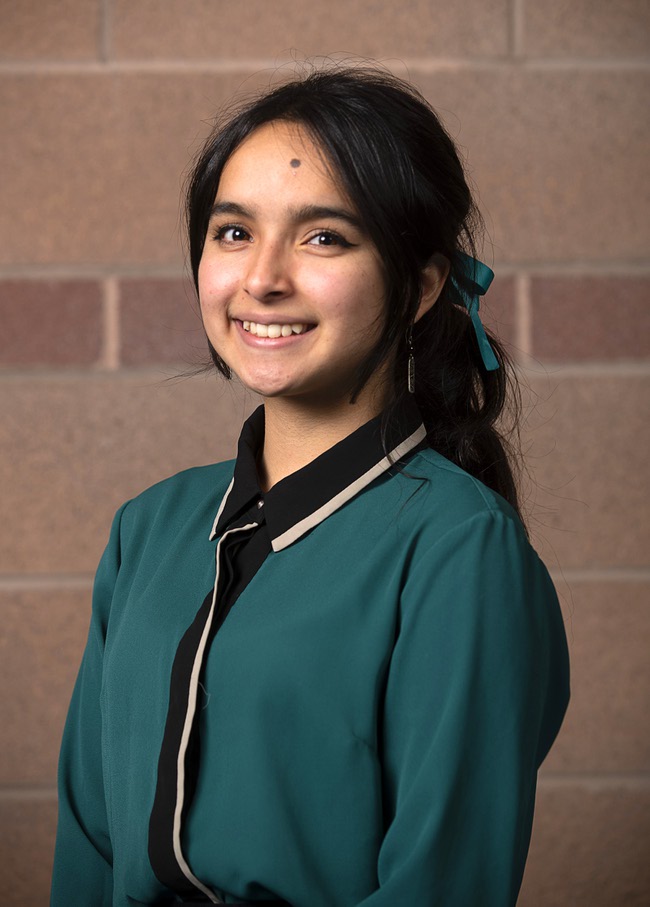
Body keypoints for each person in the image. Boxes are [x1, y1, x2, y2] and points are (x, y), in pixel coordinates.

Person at [51, 66, 570, 907]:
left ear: (422, 287)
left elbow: (445, 884)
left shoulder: (459, 547)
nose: (262, 278)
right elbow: (86, 845)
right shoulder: (147, 528)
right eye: (232, 233)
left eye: (323, 237)